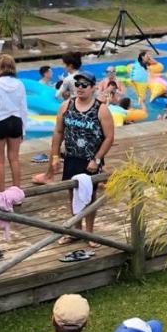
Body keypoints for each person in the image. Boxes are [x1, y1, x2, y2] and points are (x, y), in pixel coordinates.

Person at [49, 72, 114, 242]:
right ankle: (77, 231)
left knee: (90, 196)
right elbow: (58, 132)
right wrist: (55, 156)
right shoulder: (66, 105)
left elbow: (109, 137)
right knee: (73, 194)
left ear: (93, 87)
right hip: (71, 157)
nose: (79, 88)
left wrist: (97, 159)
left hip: (90, 159)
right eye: (77, 84)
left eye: (84, 85)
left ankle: (90, 233)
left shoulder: (101, 109)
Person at [0, 54, 29, 193]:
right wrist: (23, 130)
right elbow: (24, 108)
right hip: (16, 121)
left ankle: (2, 194)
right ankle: (17, 193)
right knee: (14, 159)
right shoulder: (19, 84)